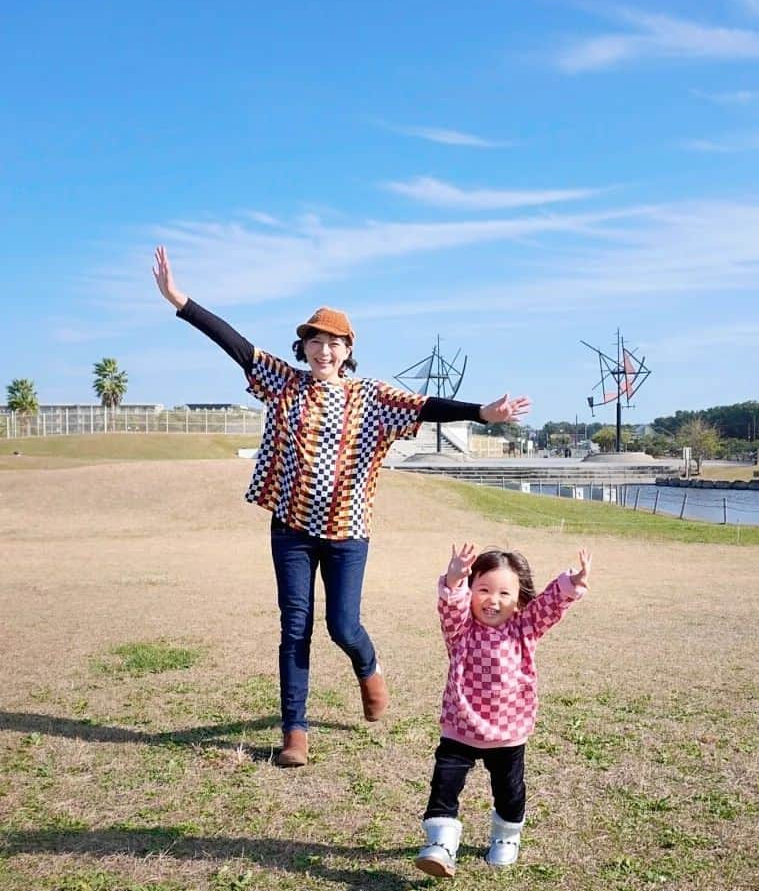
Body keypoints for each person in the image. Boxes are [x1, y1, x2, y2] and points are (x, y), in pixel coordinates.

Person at [152, 245, 531, 768]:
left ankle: (368, 666)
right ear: (303, 346)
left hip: (347, 531)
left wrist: (482, 413)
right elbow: (237, 347)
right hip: (290, 527)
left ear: (347, 349)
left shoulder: (371, 397)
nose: (322, 351)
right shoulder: (283, 384)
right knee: (294, 625)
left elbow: (426, 406)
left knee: (342, 626)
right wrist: (181, 301)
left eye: (333, 343)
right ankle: (295, 732)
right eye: (314, 341)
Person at [415, 542, 592, 877]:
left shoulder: (525, 629)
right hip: (460, 727)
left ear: (519, 601)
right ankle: (441, 842)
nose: (492, 600)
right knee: (444, 784)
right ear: (470, 592)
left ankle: (506, 838)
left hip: (508, 733)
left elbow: (550, 605)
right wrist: (453, 579)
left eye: (503, 594)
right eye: (483, 589)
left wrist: (574, 581)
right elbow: (450, 606)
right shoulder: (461, 631)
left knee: (510, 790)